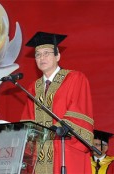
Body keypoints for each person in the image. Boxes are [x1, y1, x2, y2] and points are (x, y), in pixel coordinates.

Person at [21, 31, 94, 174]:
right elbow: (28, 121)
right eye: (38, 54)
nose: (42, 57)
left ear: (57, 56)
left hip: (65, 150)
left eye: (46, 53)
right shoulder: (33, 88)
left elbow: (79, 114)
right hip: (40, 156)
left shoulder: (75, 78)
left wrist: (55, 130)